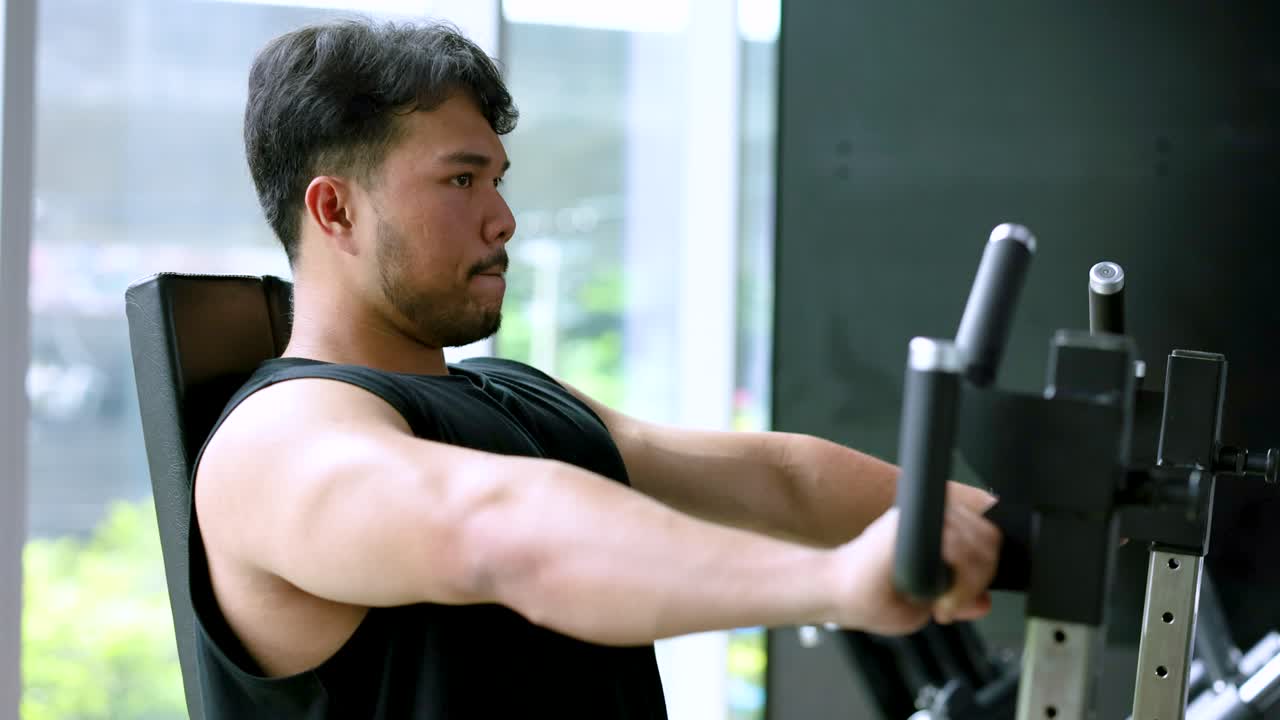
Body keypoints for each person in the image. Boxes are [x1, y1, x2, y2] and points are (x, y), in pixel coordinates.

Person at [191, 16, 1003, 719]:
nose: (503, 219)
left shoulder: (511, 394)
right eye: (461, 180)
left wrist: (1039, 531)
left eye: (497, 181)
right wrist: (829, 582)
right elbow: (503, 532)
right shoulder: (280, 440)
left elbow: (778, 478)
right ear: (336, 209)